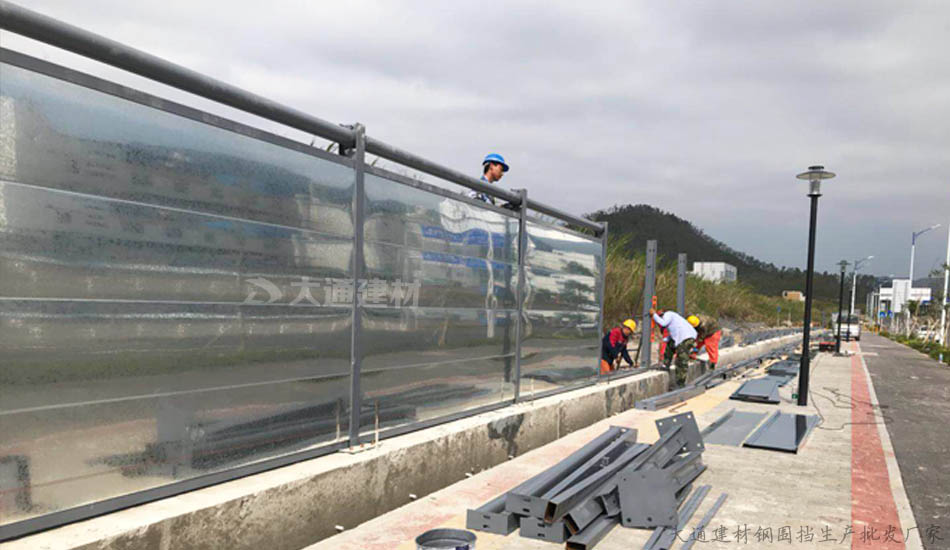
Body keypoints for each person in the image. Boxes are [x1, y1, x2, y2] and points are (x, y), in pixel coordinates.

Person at [650, 308, 697, 389]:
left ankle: (680, 383)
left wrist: (653, 314)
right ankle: (666, 364)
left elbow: (663, 323)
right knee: (670, 345)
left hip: (686, 338)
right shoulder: (674, 319)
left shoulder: (668, 314)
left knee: (681, 360)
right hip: (683, 337)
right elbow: (673, 334)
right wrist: (664, 340)